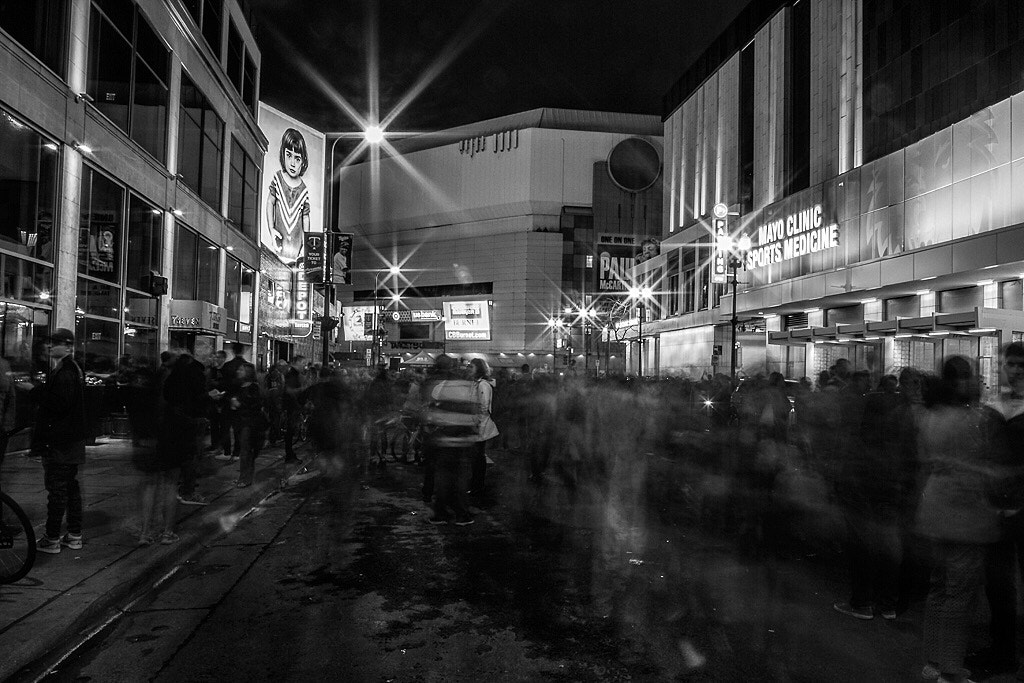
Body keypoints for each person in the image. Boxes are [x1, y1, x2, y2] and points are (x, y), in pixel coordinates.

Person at [916, 357, 999, 683]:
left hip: (934, 509)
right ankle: (950, 668)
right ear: (959, 382)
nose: (978, 381)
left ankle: (933, 661)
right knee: (959, 594)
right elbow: (978, 466)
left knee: (938, 588)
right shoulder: (968, 421)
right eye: (972, 377)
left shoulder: (929, 416)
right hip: (962, 516)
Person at [973, 343, 1024, 678]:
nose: (1016, 370)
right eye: (1011, 364)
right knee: (998, 585)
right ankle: (1003, 652)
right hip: (994, 508)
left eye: (1022, 365)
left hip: (1021, 508)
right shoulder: (993, 407)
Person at [32, 328, 88, 554]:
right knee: (70, 488)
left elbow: (58, 405)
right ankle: (74, 535)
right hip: (71, 440)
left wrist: (35, 393)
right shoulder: (72, 369)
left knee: (57, 490)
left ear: (67, 346)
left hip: (62, 442)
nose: (49, 346)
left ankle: (52, 537)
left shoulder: (65, 371)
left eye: (54, 343)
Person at [419, 354, 477, 525]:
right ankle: (461, 514)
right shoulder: (467, 386)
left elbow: (428, 412)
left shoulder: (439, 387)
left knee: (443, 477)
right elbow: (474, 412)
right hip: (462, 439)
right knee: (459, 478)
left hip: (443, 438)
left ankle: (441, 512)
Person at [167, 351, 211, 506]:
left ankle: (182, 487)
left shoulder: (172, 377)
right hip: (192, 419)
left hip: (177, 420)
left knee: (184, 456)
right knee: (192, 456)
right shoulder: (194, 374)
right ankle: (187, 491)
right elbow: (198, 396)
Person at [265, 127, 311, 265]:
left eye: (297, 159)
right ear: (283, 154)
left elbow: (305, 216)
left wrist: (306, 244)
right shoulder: (278, 179)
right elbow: (270, 203)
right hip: (278, 245)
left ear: (303, 161)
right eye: (288, 155)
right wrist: (271, 229)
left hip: (296, 251)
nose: (292, 163)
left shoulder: (303, 189)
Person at [230, 363, 265, 488]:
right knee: (244, 450)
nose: (238, 371)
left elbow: (254, 406)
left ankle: (245, 478)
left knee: (246, 451)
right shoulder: (240, 386)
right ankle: (243, 477)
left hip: (249, 424)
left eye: (241, 369)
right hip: (241, 422)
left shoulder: (253, 388)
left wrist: (238, 404)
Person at [468, 358, 499, 497]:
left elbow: (483, 406)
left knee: (478, 458)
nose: (469, 369)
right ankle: (475, 485)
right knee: (477, 457)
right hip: (478, 424)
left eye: (472, 367)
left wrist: (476, 422)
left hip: (480, 425)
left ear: (479, 369)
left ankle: (477, 486)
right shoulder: (477, 384)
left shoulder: (482, 385)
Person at [282, 355, 307, 463]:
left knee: (291, 431)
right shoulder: (293, 374)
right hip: (292, 406)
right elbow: (289, 391)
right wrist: (303, 389)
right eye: (303, 364)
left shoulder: (292, 373)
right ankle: (289, 455)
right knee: (290, 431)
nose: (304, 367)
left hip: (292, 406)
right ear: (298, 362)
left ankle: (290, 453)